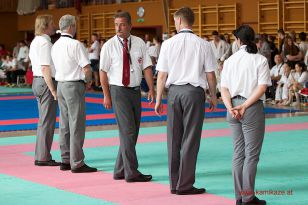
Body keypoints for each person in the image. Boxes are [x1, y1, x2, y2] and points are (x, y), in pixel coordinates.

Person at [155, 7, 217, 195]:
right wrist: (213, 96)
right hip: (194, 93)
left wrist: (159, 99)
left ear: (180, 21)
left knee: (173, 139)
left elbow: (162, 75)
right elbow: (211, 75)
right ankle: (185, 184)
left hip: (174, 93)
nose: (174, 24)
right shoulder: (204, 44)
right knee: (190, 139)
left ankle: (174, 184)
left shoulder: (168, 44)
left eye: (175, 21)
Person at [99, 11, 154, 182]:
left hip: (135, 91)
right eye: (116, 25)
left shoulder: (139, 43)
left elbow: (146, 67)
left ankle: (119, 169)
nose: (118, 28)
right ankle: (132, 172)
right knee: (128, 131)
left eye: (122, 24)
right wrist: (106, 95)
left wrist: (151, 89)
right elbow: (102, 72)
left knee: (132, 132)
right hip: (118, 91)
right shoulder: (109, 46)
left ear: (130, 25)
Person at [220, 25, 271, 205]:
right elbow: (262, 87)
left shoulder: (229, 61)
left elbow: (224, 89)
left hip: (232, 107)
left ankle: (239, 197)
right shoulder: (260, 60)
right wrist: (244, 106)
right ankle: (248, 197)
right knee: (251, 155)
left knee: (238, 154)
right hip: (250, 108)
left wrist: (231, 107)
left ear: (238, 40)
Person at [51, 14, 97, 173]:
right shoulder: (76, 44)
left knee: (64, 123)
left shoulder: (55, 45)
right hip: (73, 85)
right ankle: (77, 162)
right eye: (75, 25)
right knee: (76, 123)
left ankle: (65, 159)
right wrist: (88, 81)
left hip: (61, 85)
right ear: (71, 26)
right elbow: (86, 68)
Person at [29, 15, 60, 166]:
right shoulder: (44, 43)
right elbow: (45, 67)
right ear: (46, 26)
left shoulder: (36, 42)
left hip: (38, 81)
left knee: (44, 121)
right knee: (47, 122)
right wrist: (53, 89)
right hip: (45, 81)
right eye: (52, 23)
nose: (54, 25)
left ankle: (41, 155)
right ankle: (43, 157)